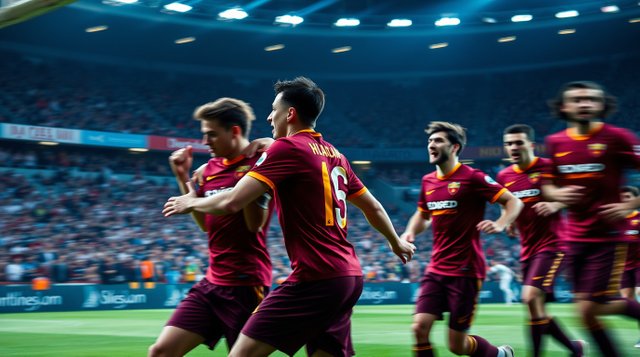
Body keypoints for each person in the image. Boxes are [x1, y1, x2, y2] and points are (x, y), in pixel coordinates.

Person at [163, 76, 416, 357]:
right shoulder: (335, 155)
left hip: (314, 278)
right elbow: (374, 207)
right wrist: (395, 242)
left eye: (274, 109)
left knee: (240, 354)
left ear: (290, 114)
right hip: (347, 277)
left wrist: (191, 201)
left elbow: (233, 201)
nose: (270, 116)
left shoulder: (288, 149)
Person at [149, 97, 275, 357]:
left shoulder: (261, 163)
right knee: (160, 351)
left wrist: (260, 157)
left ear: (235, 131)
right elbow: (205, 224)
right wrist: (184, 178)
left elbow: (255, 225)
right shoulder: (208, 170)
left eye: (211, 135)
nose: (205, 142)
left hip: (246, 286)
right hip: (212, 283)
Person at [401, 121, 523, 357]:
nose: (431, 145)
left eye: (438, 141)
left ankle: (500, 354)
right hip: (436, 269)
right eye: (429, 141)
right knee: (419, 328)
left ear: (455, 147)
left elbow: (513, 201)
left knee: (457, 346)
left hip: (465, 270)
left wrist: (500, 223)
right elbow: (423, 214)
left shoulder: (473, 177)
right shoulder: (428, 181)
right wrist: (410, 232)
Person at [542, 81, 640, 356]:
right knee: (585, 313)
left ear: (602, 105)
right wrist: (559, 194)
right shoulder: (555, 142)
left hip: (608, 237)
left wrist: (631, 205)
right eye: (577, 99)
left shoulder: (618, 137)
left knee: (588, 308)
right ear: (564, 106)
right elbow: (548, 185)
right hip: (574, 238)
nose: (585, 104)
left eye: (591, 99)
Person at [496, 124, 585, 356]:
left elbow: (579, 192)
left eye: (518, 142)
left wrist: (556, 203)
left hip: (554, 244)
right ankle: (574, 348)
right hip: (528, 249)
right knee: (537, 310)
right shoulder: (504, 176)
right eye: (509, 143)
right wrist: (510, 222)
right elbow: (507, 205)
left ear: (531, 145)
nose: (513, 147)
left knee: (529, 297)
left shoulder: (549, 167)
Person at [619, 185, 640, 348]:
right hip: (623, 268)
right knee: (628, 302)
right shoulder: (616, 221)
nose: (624, 200)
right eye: (622, 197)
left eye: (628, 197)